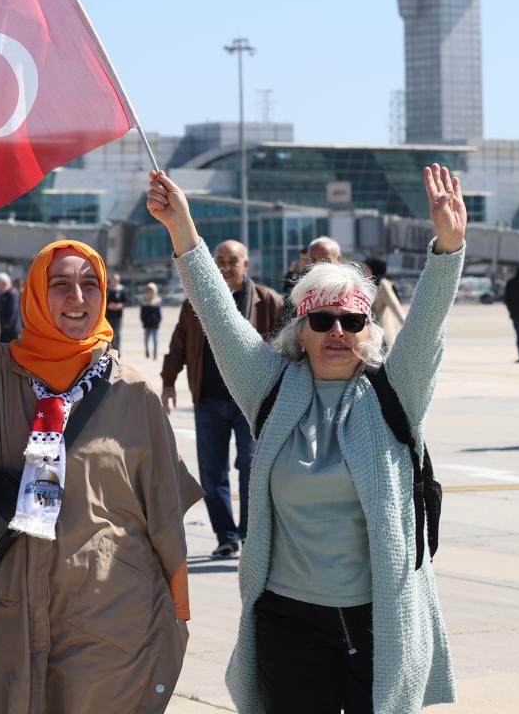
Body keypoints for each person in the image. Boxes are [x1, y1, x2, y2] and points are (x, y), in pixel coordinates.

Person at [148, 165, 459, 713]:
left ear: (367, 330)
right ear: (301, 331)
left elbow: (429, 323)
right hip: (288, 620)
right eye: (323, 321)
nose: (337, 330)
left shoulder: (396, 392)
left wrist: (449, 248)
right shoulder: (270, 388)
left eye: (352, 321)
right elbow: (218, 315)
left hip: (379, 620)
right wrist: (183, 229)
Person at [0, 197, 202, 713]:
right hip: (6, 596)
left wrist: (177, 613)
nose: (77, 296)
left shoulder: (133, 391)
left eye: (90, 283)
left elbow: (164, 510)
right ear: (35, 294)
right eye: (61, 283)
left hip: (106, 607)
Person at [161, 239, 283, 559]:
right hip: (208, 401)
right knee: (212, 474)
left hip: (250, 402)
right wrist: (168, 383)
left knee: (251, 467)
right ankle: (226, 536)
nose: (225, 267)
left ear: (246, 265)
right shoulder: (197, 301)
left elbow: (288, 348)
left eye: (232, 261)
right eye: (220, 261)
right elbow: (179, 343)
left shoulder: (268, 301)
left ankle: (249, 535)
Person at [363, 256, 407, 349]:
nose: (364, 271)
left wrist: (408, 327)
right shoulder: (371, 286)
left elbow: (395, 306)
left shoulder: (383, 284)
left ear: (374, 269)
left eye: (367, 268)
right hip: (372, 336)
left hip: (383, 336)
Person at [0, 272, 21, 343]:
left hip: (11, 328)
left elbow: (13, 309)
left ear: (4, 283)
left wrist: (7, 323)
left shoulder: (12, 293)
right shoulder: (4, 293)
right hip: (5, 328)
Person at [141, 281, 164, 359]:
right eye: (149, 290)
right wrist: (143, 320)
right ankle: (147, 351)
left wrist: (158, 321)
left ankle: (155, 355)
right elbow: (142, 313)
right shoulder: (144, 301)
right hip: (147, 324)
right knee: (146, 340)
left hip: (155, 324)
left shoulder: (158, 301)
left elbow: (159, 314)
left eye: (151, 290)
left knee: (155, 340)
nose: (150, 292)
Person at [106, 272, 127, 353]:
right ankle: (109, 349)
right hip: (108, 315)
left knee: (117, 333)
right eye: (113, 279)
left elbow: (125, 302)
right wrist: (109, 305)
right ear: (111, 280)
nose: (114, 281)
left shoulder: (121, 290)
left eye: (116, 280)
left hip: (118, 316)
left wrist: (119, 306)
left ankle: (117, 350)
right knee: (109, 333)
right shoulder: (107, 289)